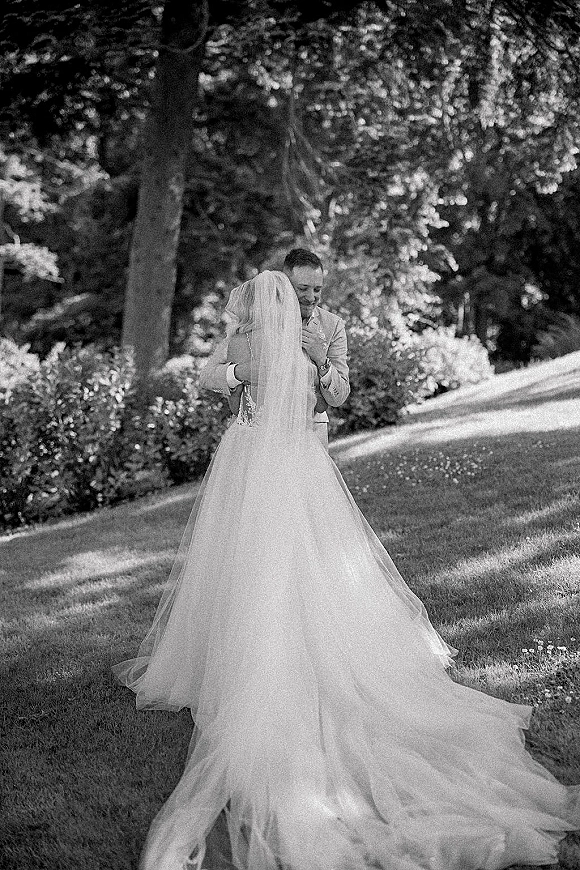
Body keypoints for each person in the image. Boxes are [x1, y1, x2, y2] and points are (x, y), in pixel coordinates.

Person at [113, 271, 579, 870]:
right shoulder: (271, 352)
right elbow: (252, 388)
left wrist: (263, 370)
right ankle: (276, 643)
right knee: (275, 557)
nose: (302, 300)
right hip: (290, 457)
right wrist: (259, 372)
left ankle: (266, 653)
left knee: (265, 555)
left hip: (261, 457)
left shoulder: (283, 343)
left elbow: (301, 391)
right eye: (296, 292)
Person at [198, 249, 349, 448]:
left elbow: (340, 396)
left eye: (317, 289)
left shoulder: (333, 325)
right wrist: (242, 372)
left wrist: (321, 360)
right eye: (302, 288)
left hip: (309, 436)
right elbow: (207, 377)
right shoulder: (254, 324)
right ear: (284, 284)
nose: (310, 297)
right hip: (258, 438)